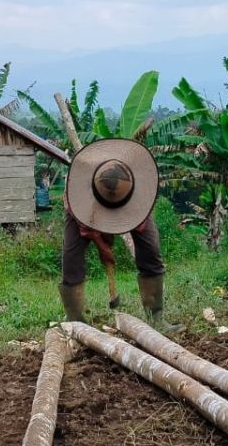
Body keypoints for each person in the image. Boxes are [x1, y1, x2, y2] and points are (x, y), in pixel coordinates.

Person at [60, 138, 168, 326]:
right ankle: (75, 322)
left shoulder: (139, 194)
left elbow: (139, 226)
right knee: (71, 258)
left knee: (151, 251)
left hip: (128, 199)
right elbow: (88, 229)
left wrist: (108, 244)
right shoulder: (79, 197)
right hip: (85, 207)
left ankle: (156, 317)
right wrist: (103, 248)